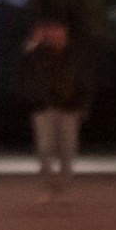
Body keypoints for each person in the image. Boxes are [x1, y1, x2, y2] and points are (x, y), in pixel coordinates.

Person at [20, 14, 86, 196]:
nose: (57, 38)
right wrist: (35, 43)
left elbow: (83, 81)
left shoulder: (73, 55)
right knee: (45, 147)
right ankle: (47, 186)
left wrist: (82, 104)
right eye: (53, 34)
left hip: (69, 107)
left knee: (69, 148)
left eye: (60, 34)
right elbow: (26, 68)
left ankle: (63, 187)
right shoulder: (39, 54)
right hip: (44, 106)